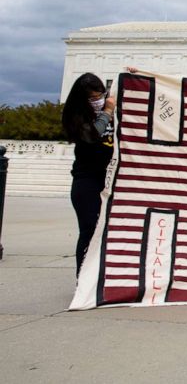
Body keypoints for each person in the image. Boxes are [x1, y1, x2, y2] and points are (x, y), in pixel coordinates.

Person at [61, 73, 116, 275]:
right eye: (93, 99)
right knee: (89, 230)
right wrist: (108, 111)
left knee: (112, 232)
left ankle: (102, 278)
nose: (98, 101)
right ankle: (83, 278)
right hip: (87, 180)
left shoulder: (111, 109)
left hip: (110, 178)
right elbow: (92, 135)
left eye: (100, 95)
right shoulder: (75, 117)